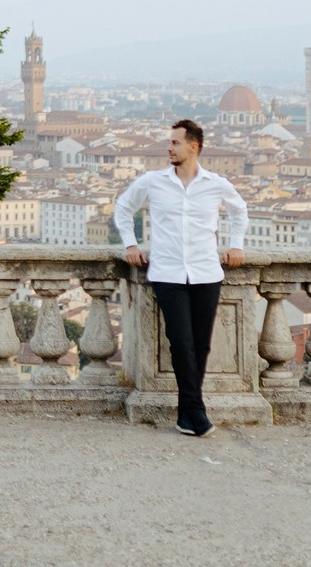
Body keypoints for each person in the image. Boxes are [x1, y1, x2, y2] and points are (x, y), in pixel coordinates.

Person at [113, 118, 247, 437]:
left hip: (206, 273)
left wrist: (236, 246)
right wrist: (130, 244)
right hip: (167, 272)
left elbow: (239, 211)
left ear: (193, 147)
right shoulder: (153, 181)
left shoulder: (216, 183)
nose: (169, 147)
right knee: (182, 343)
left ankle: (187, 414)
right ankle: (196, 411)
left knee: (201, 346)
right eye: (169, 142)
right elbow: (123, 207)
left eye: (175, 142)